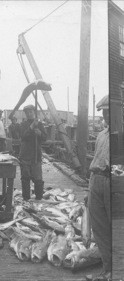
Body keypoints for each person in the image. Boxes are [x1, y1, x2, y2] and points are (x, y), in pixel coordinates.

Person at [85, 96, 111, 281]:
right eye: (104, 111)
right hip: (96, 179)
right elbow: (95, 162)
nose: (106, 115)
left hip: (113, 181)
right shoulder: (101, 135)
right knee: (99, 228)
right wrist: (89, 189)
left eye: (110, 111)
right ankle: (108, 269)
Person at [18, 104, 47, 201]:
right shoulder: (23, 124)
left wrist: (40, 134)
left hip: (36, 155)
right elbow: (23, 136)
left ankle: (39, 197)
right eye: (27, 112)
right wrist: (31, 127)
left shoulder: (40, 124)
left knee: (38, 179)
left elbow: (45, 138)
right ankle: (26, 198)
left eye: (31, 112)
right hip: (25, 154)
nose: (29, 114)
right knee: (25, 178)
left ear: (34, 112)